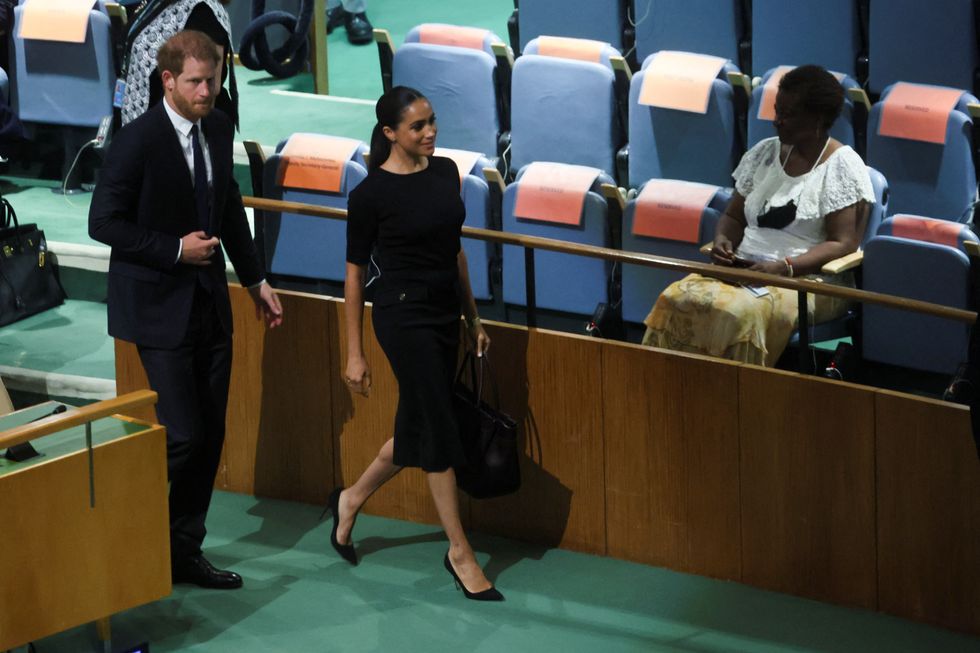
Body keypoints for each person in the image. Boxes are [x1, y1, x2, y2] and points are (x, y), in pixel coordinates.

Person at [89, 30, 283, 589]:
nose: (208, 91)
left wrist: (256, 280)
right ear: (168, 79)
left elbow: (227, 205)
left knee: (211, 433)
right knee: (182, 435)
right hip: (156, 307)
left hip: (209, 306)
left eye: (215, 79)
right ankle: (124, 530)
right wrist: (176, 249)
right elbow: (102, 223)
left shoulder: (219, 128)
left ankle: (181, 551)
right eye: (197, 81)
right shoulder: (136, 140)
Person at [330, 86, 502, 601]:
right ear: (390, 134)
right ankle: (460, 552)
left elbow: (456, 254)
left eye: (432, 122)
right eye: (417, 126)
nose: (430, 132)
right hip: (401, 316)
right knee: (439, 430)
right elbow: (355, 276)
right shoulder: (369, 196)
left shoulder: (447, 172)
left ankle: (351, 499)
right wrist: (354, 352)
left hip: (446, 312)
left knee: (416, 427)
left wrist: (473, 317)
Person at [642, 65, 875, 366]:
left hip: (807, 281)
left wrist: (785, 268)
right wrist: (723, 240)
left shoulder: (842, 165)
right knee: (673, 299)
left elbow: (843, 243)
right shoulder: (765, 152)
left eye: (787, 114)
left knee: (737, 314)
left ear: (816, 118)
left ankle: (735, 402)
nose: (776, 120)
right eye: (777, 110)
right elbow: (734, 217)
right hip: (746, 268)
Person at [120, 0, 239, 128]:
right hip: (142, 123)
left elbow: (209, 89)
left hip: (174, 133)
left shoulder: (203, 12)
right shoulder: (160, 3)